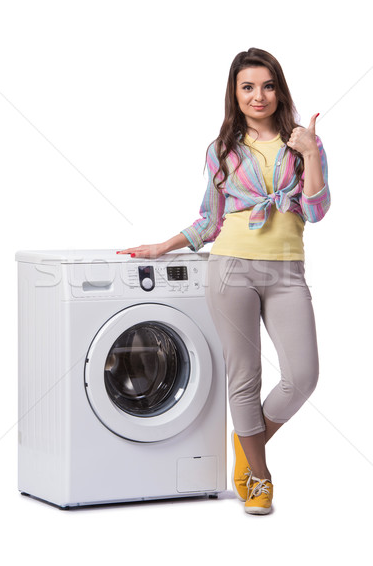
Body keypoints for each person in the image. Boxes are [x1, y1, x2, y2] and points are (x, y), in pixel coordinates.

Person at [117, 47, 330, 515]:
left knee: (304, 376)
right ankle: (259, 475)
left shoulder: (303, 143)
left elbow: (314, 211)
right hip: (231, 266)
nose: (259, 96)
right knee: (244, 378)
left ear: (280, 90)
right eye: (248, 87)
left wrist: (311, 151)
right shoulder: (222, 151)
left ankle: (246, 445)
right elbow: (208, 223)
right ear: (235, 94)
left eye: (267, 86)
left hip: (287, 271)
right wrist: (161, 247)